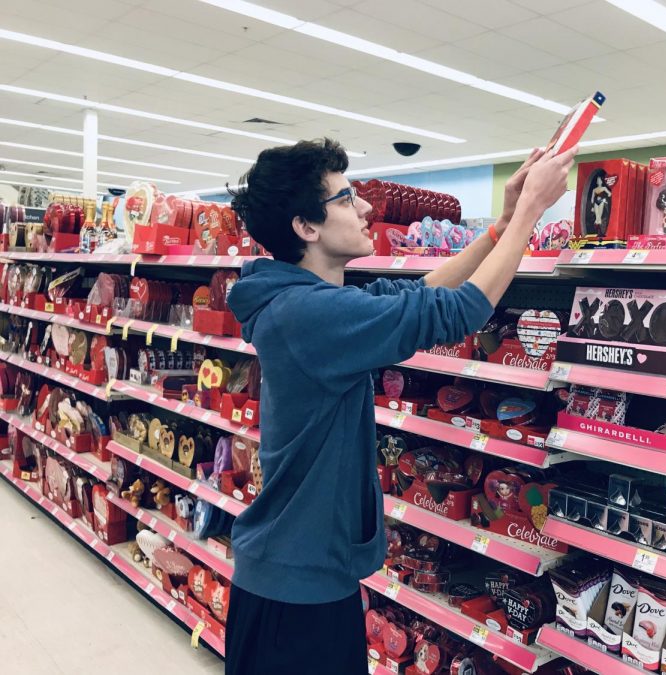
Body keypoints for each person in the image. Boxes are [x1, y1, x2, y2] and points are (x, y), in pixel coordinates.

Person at [223, 138, 576, 674]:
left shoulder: (307, 302)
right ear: (306, 227)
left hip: (305, 574)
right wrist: (532, 211)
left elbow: (423, 293)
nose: (366, 208)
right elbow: (458, 311)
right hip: (296, 591)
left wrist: (503, 223)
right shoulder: (306, 313)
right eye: (346, 199)